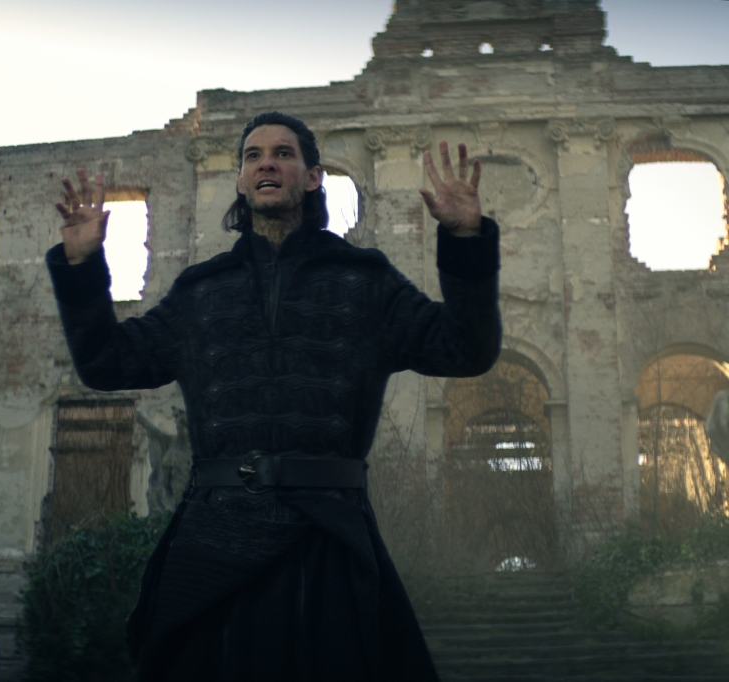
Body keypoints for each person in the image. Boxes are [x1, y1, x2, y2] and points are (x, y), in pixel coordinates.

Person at [46, 111, 501, 680]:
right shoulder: (200, 291)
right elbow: (105, 363)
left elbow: (465, 350)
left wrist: (464, 241)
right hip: (215, 540)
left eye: (283, 153)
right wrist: (82, 265)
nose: (267, 162)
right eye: (253, 155)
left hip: (328, 540)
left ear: (313, 177)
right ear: (241, 181)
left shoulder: (364, 280)